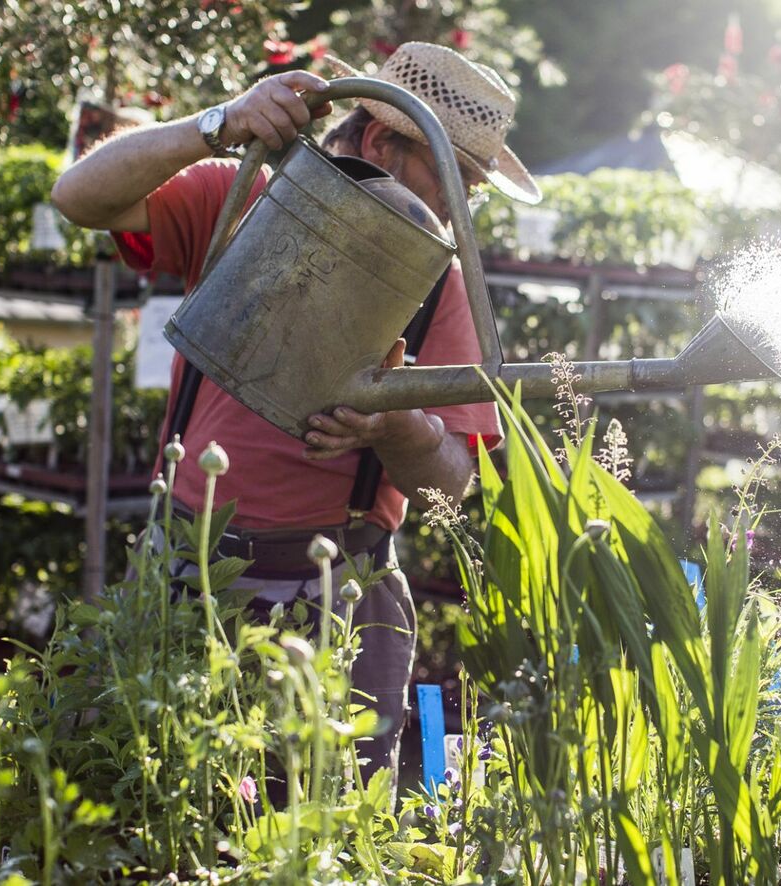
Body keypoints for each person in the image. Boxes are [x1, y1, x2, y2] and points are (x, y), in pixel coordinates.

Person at [51, 42, 542, 787]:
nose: (460, 208)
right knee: (148, 809)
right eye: (457, 183)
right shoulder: (248, 196)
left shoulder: (436, 285)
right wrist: (219, 123)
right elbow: (79, 197)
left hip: (335, 602)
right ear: (381, 142)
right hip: (182, 577)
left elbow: (454, 484)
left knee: (317, 835)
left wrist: (396, 425)